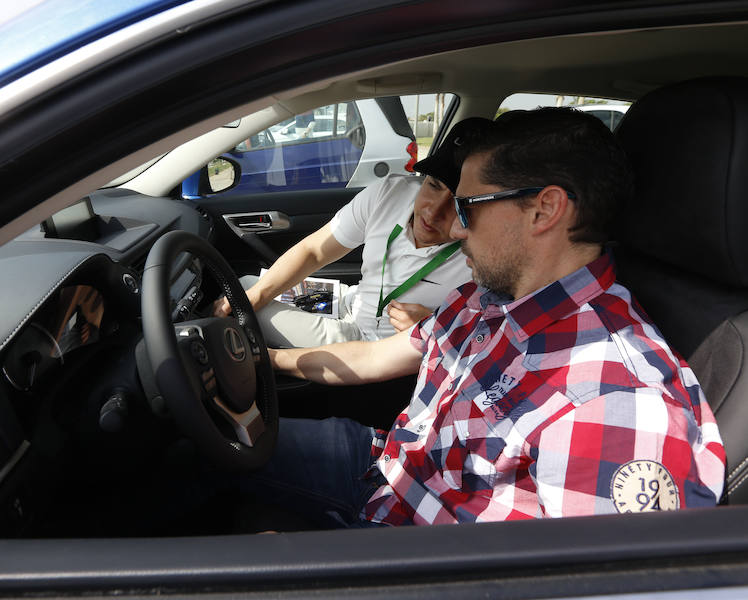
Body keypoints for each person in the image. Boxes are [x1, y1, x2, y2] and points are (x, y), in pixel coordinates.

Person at [251, 107, 725, 527]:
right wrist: (267, 359)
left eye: (467, 207)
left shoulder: (612, 397)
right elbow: (373, 358)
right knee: (209, 447)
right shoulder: (484, 298)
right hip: (389, 468)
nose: (454, 228)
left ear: (544, 210)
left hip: (408, 550)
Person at [213, 119, 491, 348]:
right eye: (433, 185)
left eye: (458, 202)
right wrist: (257, 295)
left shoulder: (486, 254)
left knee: (237, 310)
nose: (433, 212)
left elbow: (489, 342)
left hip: (368, 343)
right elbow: (314, 251)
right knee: (245, 286)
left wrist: (439, 325)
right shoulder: (391, 193)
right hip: (350, 302)